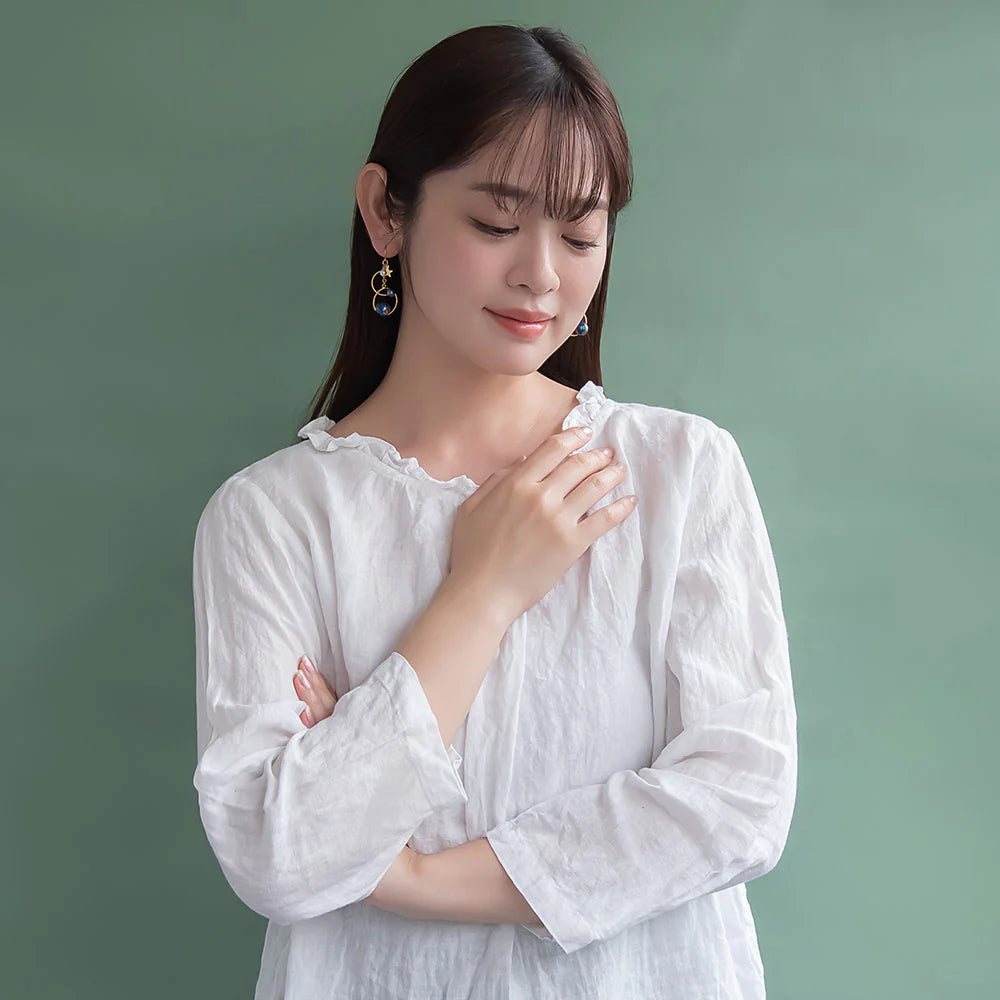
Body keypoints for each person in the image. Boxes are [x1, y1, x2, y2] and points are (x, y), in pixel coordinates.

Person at [191, 23, 798, 1000]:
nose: (542, 276)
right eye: (495, 222)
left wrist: (416, 873)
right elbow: (279, 852)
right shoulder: (271, 517)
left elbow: (738, 802)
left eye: (579, 232)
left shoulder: (680, 472)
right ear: (385, 212)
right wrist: (479, 592)